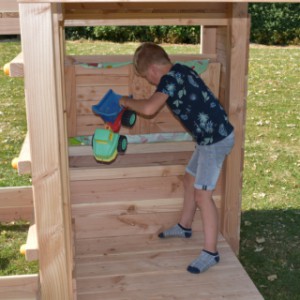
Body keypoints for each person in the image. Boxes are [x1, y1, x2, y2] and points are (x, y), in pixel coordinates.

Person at [119, 42, 235, 274]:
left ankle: (211, 252)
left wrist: (125, 101)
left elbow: (150, 108)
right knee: (189, 181)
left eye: (147, 77)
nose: (151, 82)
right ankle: (184, 226)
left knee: (203, 196)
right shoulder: (181, 69)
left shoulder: (169, 80)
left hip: (215, 140)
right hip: (207, 139)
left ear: (152, 70)